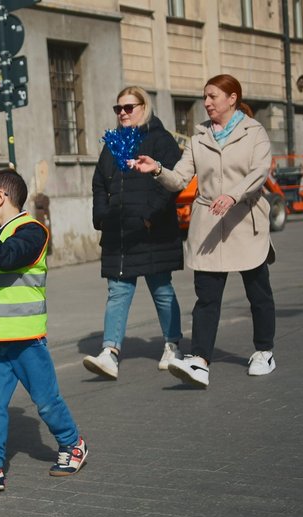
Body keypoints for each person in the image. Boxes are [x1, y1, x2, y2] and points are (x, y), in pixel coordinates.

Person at [130, 74, 276, 387]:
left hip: (246, 221)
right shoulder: (199, 138)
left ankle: (264, 351)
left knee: (258, 291)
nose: (207, 103)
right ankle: (199, 360)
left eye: (212, 97)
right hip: (209, 223)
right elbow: (180, 179)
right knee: (207, 297)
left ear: (232, 98)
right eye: (205, 97)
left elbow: (260, 172)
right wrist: (156, 169)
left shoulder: (254, 132)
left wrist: (234, 194)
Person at [0, 169, 87, 493]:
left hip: (27, 340)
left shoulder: (32, 232)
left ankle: (73, 445)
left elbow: (5, 258)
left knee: (46, 401)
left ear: (0, 197)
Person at [83, 86, 184, 380]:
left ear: (143, 107)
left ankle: (172, 344)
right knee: (117, 291)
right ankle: (110, 352)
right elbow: (99, 182)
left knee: (162, 290)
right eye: (119, 109)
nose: (123, 113)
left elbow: (171, 184)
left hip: (152, 230)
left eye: (129, 107)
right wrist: (101, 216)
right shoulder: (113, 143)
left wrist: (149, 215)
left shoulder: (161, 140)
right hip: (119, 232)